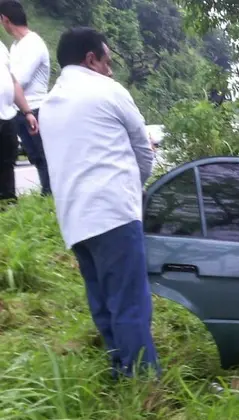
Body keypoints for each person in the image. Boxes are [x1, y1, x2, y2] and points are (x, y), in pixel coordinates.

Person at [41, 27, 159, 377]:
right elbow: (143, 150)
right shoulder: (107, 90)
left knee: (103, 302)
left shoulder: (48, 104)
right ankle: (142, 383)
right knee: (130, 303)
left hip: (74, 220)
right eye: (107, 61)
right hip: (114, 214)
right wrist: (132, 188)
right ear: (90, 59)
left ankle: (120, 367)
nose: (110, 68)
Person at [0, 0, 49, 195]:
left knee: (42, 157)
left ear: (5, 19)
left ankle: (50, 195)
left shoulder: (33, 43)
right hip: (19, 109)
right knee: (33, 156)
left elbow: (18, 80)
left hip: (34, 107)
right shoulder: (15, 46)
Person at [0, 35, 36, 202]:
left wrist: (27, 111)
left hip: (7, 115)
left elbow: (13, 82)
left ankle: (7, 206)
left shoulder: (1, 47)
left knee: (8, 162)